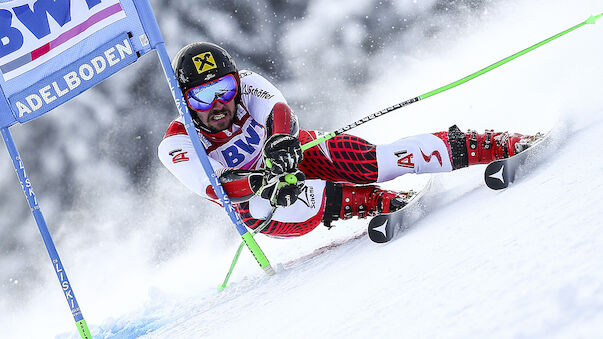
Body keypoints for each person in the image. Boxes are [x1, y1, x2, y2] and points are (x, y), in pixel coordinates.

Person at [158, 42, 536, 237]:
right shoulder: (177, 143)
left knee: (376, 161)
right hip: (258, 202)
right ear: (185, 102)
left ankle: (494, 144)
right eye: (203, 97)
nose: (219, 103)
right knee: (300, 199)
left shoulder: (248, 84)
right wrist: (262, 181)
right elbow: (217, 189)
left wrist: (280, 143)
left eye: (224, 88)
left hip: (294, 153)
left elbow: (279, 111)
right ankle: (379, 203)